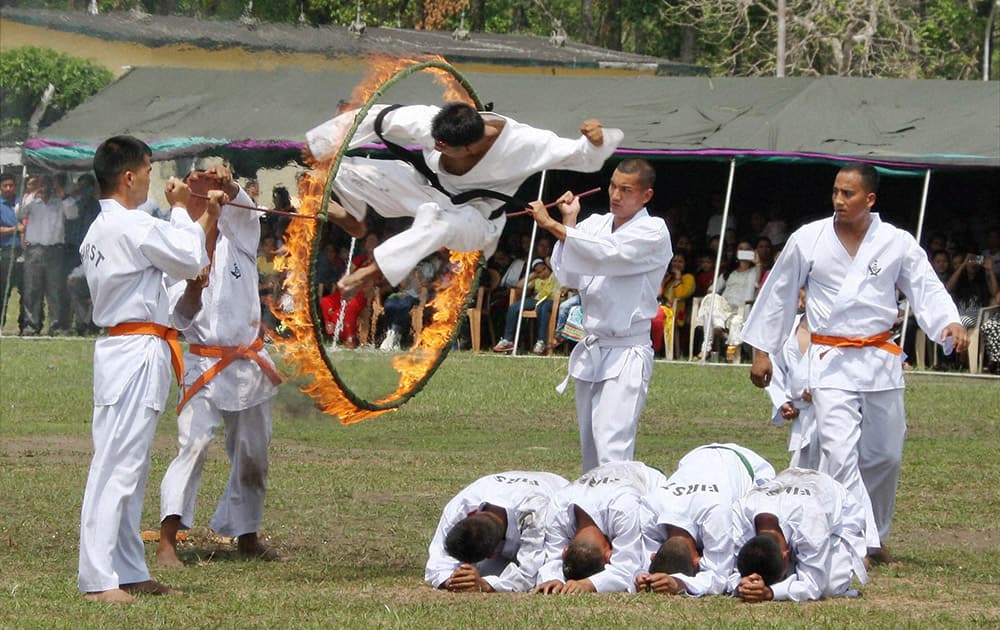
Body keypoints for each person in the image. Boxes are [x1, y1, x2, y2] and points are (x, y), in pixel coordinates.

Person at [743, 162, 967, 563]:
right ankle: (857, 539)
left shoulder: (895, 241)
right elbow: (778, 293)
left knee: (885, 454)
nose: (839, 200)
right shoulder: (808, 238)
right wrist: (762, 351)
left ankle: (875, 531)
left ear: (870, 198)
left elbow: (925, 285)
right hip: (829, 360)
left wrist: (948, 322)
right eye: (835, 192)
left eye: (848, 194)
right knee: (839, 451)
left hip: (879, 358)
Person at [77, 135, 220, 604]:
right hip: (133, 349)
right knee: (115, 465)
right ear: (130, 176)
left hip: (141, 344)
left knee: (130, 466)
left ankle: (127, 568)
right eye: (150, 172)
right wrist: (181, 208)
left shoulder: (104, 230)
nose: (154, 182)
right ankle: (97, 577)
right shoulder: (127, 225)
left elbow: (168, 281)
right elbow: (190, 256)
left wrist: (197, 218)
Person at [303, 102, 621, 296]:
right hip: (425, 186)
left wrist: (595, 141)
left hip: (476, 218)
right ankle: (355, 222)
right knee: (341, 169)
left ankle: (372, 271)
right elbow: (376, 117)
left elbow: (581, 155)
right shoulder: (432, 121)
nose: (436, 147)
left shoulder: (525, 145)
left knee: (436, 219)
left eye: (444, 147)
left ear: (470, 146)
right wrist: (320, 146)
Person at [156, 165, 282, 569]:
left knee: (253, 453)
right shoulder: (173, 250)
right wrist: (195, 287)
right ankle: (167, 542)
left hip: (248, 359)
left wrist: (230, 185)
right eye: (200, 186)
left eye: (214, 187)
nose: (209, 191)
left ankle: (246, 533)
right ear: (183, 197)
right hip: (204, 363)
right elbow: (180, 316)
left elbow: (246, 212)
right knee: (191, 447)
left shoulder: (239, 238)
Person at [527, 159, 671, 472]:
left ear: (646, 196)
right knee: (590, 445)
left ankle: (617, 513)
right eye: (612, 186)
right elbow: (570, 276)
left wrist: (554, 226)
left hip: (627, 348)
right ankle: (590, 516)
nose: (616, 195)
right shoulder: (594, 225)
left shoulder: (653, 231)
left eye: (626, 190)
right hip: (593, 346)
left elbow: (607, 253)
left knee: (612, 443)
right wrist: (570, 223)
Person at [636, 443, 774, 597]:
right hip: (694, 455)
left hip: (750, 464)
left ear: (697, 560)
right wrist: (642, 576)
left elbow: (720, 576)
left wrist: (679, 583)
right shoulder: (651, 505)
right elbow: (646, 557)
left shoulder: (716, 513)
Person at [730, 468, 868, 602]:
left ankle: (854, 558)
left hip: (838, 513)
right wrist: (743, 583)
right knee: (793, 575)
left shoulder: (810, 521)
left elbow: (813, 585)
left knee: (830, 587)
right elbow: (732, 570)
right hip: (788, 483)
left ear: (786, 556)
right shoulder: (741, 511)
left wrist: (770, 592)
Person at [533, 461, 666, 594]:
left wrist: (589, 584)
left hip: (648, 478)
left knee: (648, 559)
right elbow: (552, 557)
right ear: (565, 550)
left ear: (609, 555)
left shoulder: (622, 509)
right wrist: (552, 579)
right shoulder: (558, 506)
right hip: (609, 472)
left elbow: (627, 568)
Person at [425, 471, 568, 593]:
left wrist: (486, 585)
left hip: (555, 491)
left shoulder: (534, 512)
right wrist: (451, 580)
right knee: (488, 570)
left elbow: (529, 574)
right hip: (512, 487)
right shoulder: (460, 506)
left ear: (492, 553)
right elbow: (437, 560)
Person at [17, 173, 79, 335]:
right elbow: (19, 213)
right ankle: (31, 326)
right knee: (32, 290)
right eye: (42, 184)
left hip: (55, 250)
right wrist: (33, 193)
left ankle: (56, 326)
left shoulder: (60, 202)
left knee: (55, 289)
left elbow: (73, 214)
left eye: (48, 184)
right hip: (34, 250)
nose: (45, 187)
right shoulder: (31, 201)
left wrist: (63, 195)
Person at [764, 292, 819, 469]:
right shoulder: (789, 328)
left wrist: (821, 392)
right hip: (801, 414)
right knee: (802, 475)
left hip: (835, 411)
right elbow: (775, 365)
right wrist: (782, 401)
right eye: (803, 288)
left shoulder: (841, 331)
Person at [696, 240, 761, 362]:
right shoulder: (728, 272)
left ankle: (721, 345)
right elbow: (712, 289)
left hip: (741, 309)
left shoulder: (753, 271)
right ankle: (710, 341)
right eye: (741, 249)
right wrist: (714, 303)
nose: (743, 252)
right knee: (710, 298)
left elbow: (757, 283)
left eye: (747, 249)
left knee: (736, 320)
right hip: (724, 308)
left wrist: (757, 264)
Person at [492, 258, 559, 355]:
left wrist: (548, 265)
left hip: (552, 300)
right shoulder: (537, 278)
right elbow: (519, 286)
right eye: (539, 272)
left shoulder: (555, 274)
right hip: (537, 300)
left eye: (544, 269)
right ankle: (508, 340)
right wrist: (533, 276)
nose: (543, 273)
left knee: (542, 308)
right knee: (514, 307)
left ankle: (541, 341)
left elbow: (550, 261)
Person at [0, 172, 23, 328]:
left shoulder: (21, 203)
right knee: (3, 291)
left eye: (11, 185)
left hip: (24, 251)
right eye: (5, 186)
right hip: (7, 251)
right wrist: (16, 229)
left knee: (26, 290)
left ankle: (26, 326)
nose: (8, 188)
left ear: (15, 187)